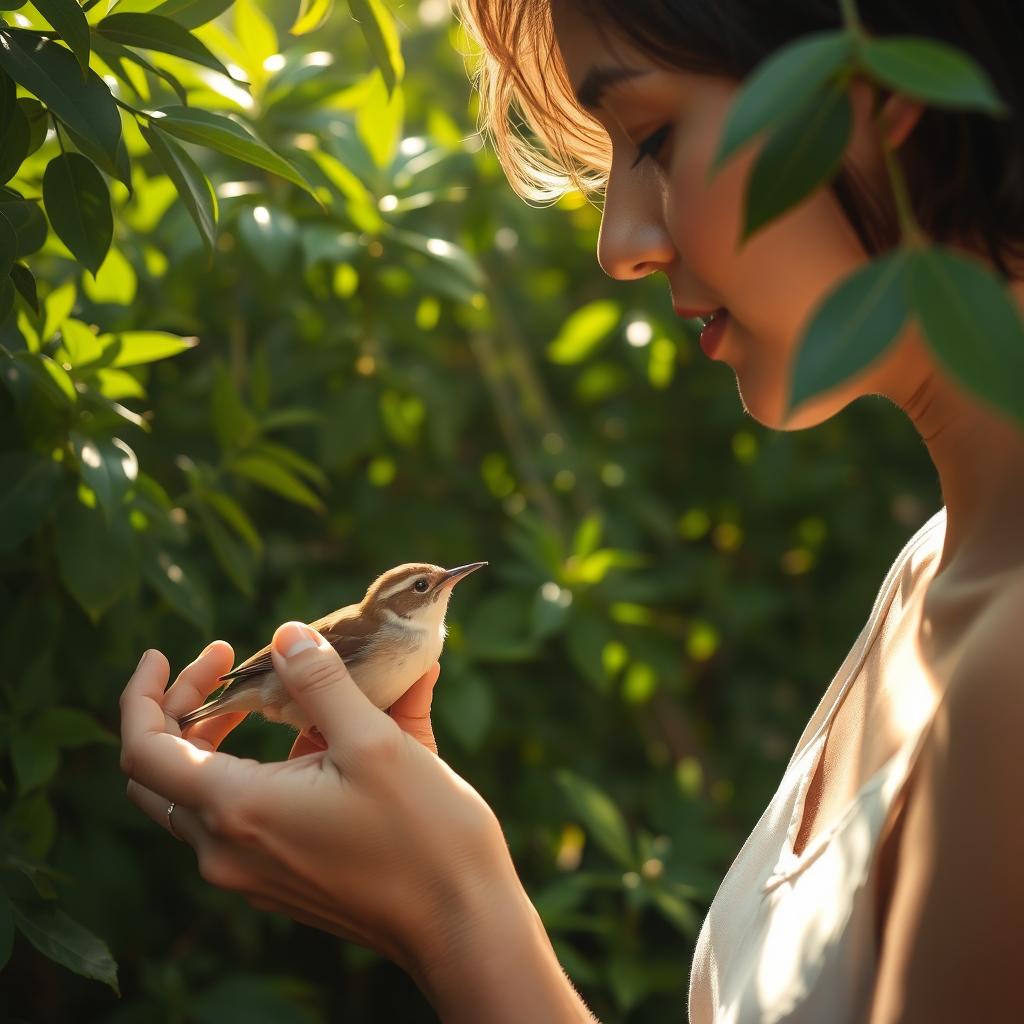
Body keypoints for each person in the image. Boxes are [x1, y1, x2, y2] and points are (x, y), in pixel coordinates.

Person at [118, 0, 1024, 1020]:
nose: (618, 246)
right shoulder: (926, 577)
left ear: (883, 94)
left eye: (653, 136)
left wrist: (449, 911)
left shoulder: (1009, 679)